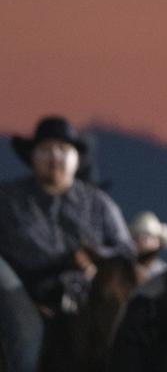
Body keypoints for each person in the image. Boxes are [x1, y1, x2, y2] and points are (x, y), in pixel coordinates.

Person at [0, 117, 135, 316]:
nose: (54, 156)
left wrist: (94, 256)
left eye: (63, 149)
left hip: (87, 305)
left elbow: (126, 251)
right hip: (21, 300)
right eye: (46, 149)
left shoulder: (99, 203)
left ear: (77, 158)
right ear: (32, 156)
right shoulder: (8, 200)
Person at [128, 211, 167, 280]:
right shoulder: (121, 267)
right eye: (137, 236)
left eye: (147, 236)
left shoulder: (164, 272)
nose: (141, 240)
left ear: (158, 242)